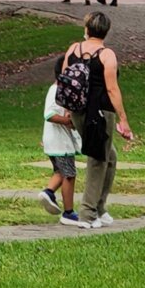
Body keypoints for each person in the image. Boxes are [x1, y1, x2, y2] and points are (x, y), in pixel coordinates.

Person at [61, 10, 135, 229]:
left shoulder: (74, 49)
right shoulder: (106, 55)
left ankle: (100, 207)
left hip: (78, 111)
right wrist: (123, 119)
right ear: (106, 32)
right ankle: (88, 212)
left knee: (109, 155)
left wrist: (67, 110)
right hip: (100, 114)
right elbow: (112, 89)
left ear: (87, 29)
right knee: (98, 159)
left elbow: (65, 80)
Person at [40, 58, 84, 223]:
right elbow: (49, 114)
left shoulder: (61, 90)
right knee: (69, 175)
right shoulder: (56, 90)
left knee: (60, 171)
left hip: (58, 141)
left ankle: (49, 193)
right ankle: (68, 212)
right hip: (59, 142)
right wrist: (69, 122)